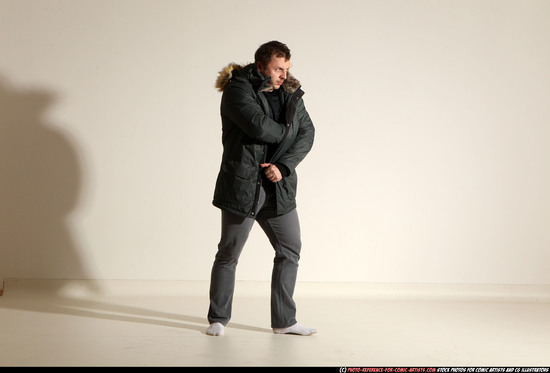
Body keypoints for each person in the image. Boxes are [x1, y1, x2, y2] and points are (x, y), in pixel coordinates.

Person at [206, 41, 316, 336]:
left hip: (278, 187)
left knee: (290, 250)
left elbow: (307, 133)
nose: (283, 74)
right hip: (243, 185)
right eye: (278, 68)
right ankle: (218, 319)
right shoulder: (238, 89)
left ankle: (284, 321)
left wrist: (283, 166)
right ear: (260, 66)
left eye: (286, 69)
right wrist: (288, 135)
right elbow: (259, 127)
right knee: (229, 253)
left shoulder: (291, 92)